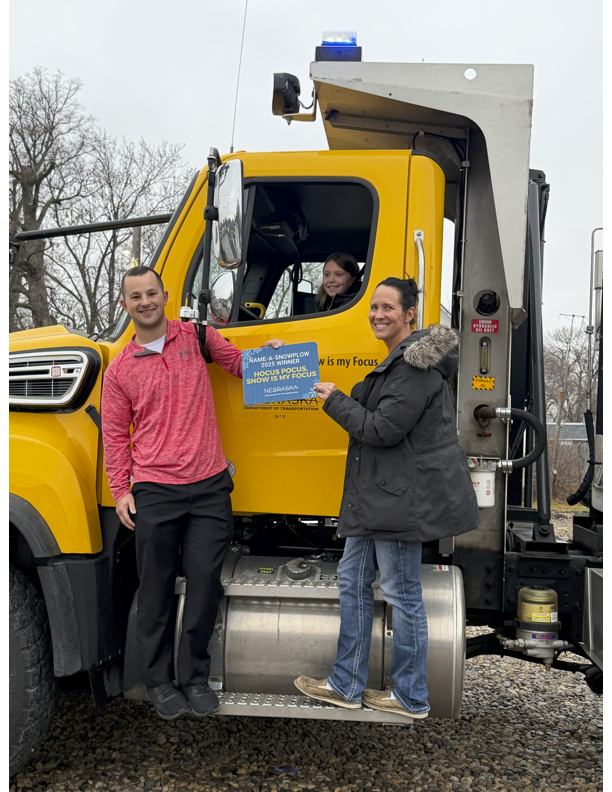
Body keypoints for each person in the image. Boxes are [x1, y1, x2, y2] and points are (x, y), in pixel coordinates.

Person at [101, 265, 282, 721]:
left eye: (151, 293)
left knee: (204, 585)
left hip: (208, 488)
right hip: (155, 491)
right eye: (134, 296)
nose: (144, 302)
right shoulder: (120, 369)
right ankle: (158, 681)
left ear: (165, 295)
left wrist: (272, 356)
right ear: (125, 304)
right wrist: (121, 489)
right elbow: (115, 437)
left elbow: (239, 365)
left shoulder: (197, 338)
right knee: (156, 588)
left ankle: (195, 677)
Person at [295, 277, 479, 718]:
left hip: (396, 501)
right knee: (352, 581)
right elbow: (370, 407)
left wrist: (334, 400)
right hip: (378, 499)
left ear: (409, 314)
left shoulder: (414, 367)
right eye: (373, 306)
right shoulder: (398, 363)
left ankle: (410, 695)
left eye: (387, 307)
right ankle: (346, 683)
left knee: (401, 593)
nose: (377, 314)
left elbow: (381, 428)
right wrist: (293, 362)